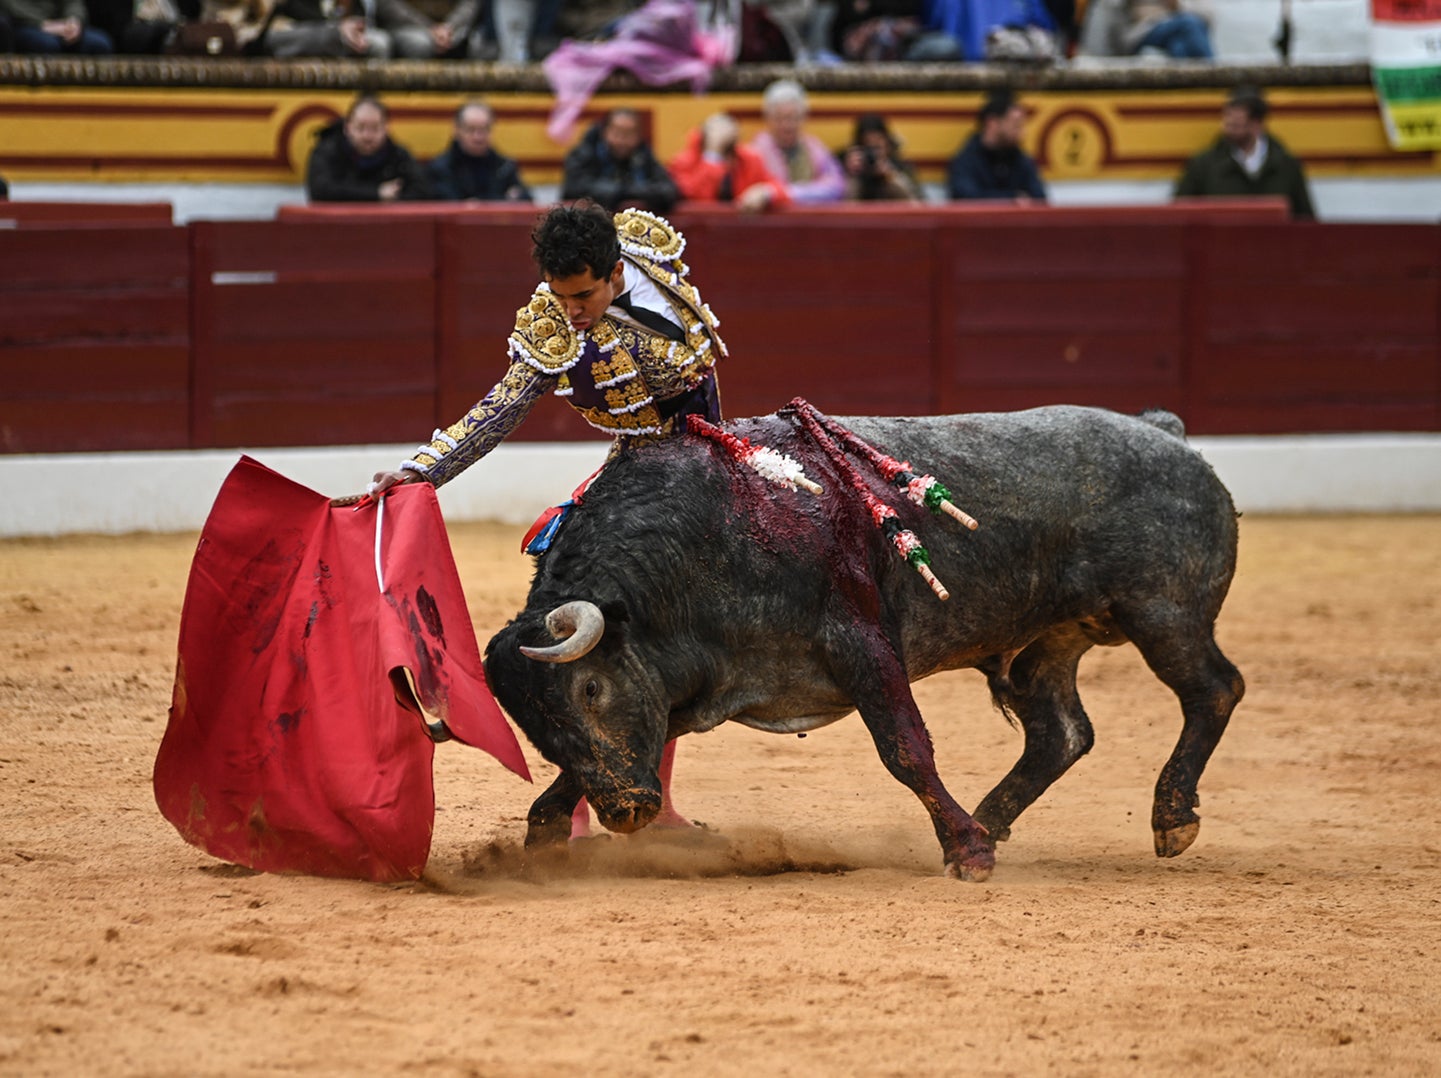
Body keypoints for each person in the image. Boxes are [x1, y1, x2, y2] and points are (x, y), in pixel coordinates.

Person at [369, 201, 728, 836]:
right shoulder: (553, 325)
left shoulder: (650, 250)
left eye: (584, 295)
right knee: (611, 638)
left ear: (617, 270)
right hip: (637, 483)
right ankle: (585, 807)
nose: (573, 311)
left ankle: (662, 806)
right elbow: (498, 410)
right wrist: (421, 471)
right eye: (562, 297)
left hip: (711, 468)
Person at [1174, 86, 1316, 219]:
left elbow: (1305, 221)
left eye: (1237, 123)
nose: (1229, 123)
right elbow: (1179, 215)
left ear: (1257, 124)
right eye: (1227, 117)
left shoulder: (1286, 166)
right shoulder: (1203, 166)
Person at [305, 95, 431, 204]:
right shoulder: (327, 152)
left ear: (386, 128)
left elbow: (422, 191)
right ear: (347, 127)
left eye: (375, 128)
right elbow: (321, 191)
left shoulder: (398, 156)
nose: (367, 136)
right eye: (360, 128)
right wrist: (376, 194)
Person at [560, 108, 679, 214]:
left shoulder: (644, 156)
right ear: (605, 132)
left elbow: (668, 190)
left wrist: (628, 192)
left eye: (629, 134)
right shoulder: (585, 153)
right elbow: (574, 189)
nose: (622, 140)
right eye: (617, 133)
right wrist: (621, 192)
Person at [748, 78, 846, 205]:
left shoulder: (814, 148)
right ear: (768, 119)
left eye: (793, 118)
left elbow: (836, 187)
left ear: (803, 118)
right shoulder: (755, 152)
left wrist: (786, 193)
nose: (787, 125)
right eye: (780, 118)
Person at [667, 112, 789, 213]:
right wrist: (713, 154)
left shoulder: (749, 160)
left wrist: (765, 192)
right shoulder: (682, 163)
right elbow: (698, 198)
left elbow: (782, 191)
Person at [946, 88, 1047, 203]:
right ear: (992, 123)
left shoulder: (1023, 161)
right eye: (1016, 125)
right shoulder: (966, 162)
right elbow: (965, 199)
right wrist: (1012, 200)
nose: (1022, 134)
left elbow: (1040, 201)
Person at [427, 101, 533, 203]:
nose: (478, 137)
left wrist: (477, 204)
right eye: (471, 129)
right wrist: (504, 199)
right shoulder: (441, 168)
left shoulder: (504, 167)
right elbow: (447, 204)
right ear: (457, 130)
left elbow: (525, 199)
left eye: (484, 129)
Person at [838, 113, 924, 203]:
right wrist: (850, 175)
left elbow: (917, 203)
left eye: (877, 147)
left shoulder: (902, 165)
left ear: (888, 143)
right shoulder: (846, 163)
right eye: (868, 148)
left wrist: (891, 178)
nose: (873, 154)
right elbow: (842, 207)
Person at [1, 0, 113, 52]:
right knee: (48, 45)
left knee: (100, 44)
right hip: (24, 24)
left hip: (61, 24)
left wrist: (73, 21)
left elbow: (73, 3)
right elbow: (8, 6)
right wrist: (42, 24)